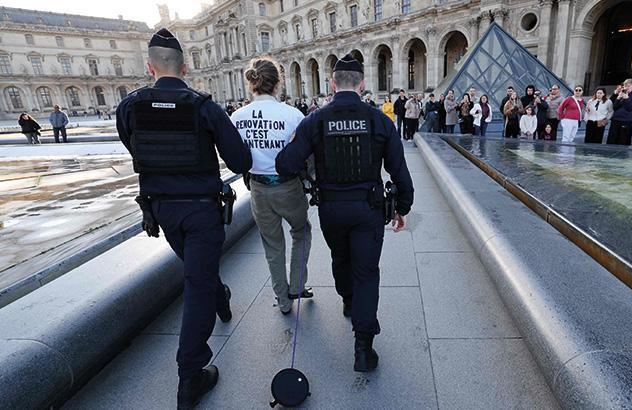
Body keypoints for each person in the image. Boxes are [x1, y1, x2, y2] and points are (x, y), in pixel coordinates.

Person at [115, 29, 252, 408]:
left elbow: (133, 146)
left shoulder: (130, 106)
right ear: (186, 67)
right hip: (201, 208)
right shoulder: (203, 105)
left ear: (150, 68)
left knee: (198, 272)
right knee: (196, 284)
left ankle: (220, 295)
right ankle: (190, 376)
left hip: (161, 209)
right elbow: (241, 161)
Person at [275, 53, 414, 373]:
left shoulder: (315, 120)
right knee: (367, 271)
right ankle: (363, 348)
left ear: (332, 83)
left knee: (341, 258)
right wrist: (403, 207)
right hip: (368, 209)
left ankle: (348, 300)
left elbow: (286, 164)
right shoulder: (380, 120)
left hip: (331, 208)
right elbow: (399, 169)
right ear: (362, 83)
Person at [230, 58, 312, 316]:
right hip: (287, 186)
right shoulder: (292, 114)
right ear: (278, 83)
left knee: (272, 246)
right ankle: (296, 285)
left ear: (252, 84)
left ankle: (283, 299)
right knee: (302, 231)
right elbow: (305, 155)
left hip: (257, 188)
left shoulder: (237, 117)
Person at [606, 79, 632, 145]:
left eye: (628, 86)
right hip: (615, 120)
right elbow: (613, 107)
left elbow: (630, 108)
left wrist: (627, 99)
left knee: (623, 141)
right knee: (612, 140)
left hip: (626, 121)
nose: (626, 88)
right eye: (625, 86)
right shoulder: (621, 94)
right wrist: (617, 98)